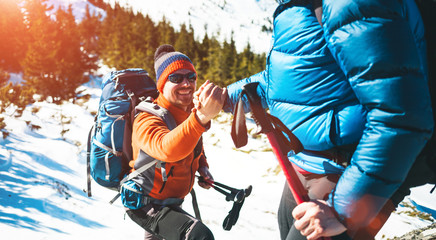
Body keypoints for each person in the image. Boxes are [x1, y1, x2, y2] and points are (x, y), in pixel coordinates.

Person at [201, 0, 433, 239]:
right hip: (303, 167)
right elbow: (290, 79)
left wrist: (342, 210)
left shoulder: (350, 4)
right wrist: (226, 97)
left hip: (345, 176)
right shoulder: (293, 7)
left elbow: (400, 115)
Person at [120, 44, 226, 240]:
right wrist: (200, 118)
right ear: (162, 84)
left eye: (191, 77)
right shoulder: (147, 118)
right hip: (145, 203)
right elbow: (166, 148)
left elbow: (194, 144)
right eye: (176, 78)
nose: (186, 84)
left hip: (171, 201)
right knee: (199, 236)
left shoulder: (186, 113)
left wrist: (202, 167)